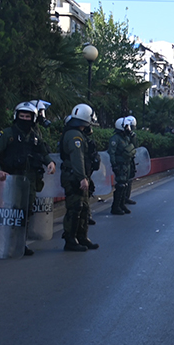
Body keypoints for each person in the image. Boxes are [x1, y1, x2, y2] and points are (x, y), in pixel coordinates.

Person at [0, 102, 56, 256]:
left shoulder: (34, 136)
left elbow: (43, 153)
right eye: (22, 116)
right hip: (13, 179)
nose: (25, 119)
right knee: (13, 211)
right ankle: (9, 243)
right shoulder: (7, 134)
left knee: (26, 211)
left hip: (30, 180)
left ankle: (20, 243)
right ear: (16, 116)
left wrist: (50, 163)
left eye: (28, 116)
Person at [59, 104, 99, 252]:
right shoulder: (74, 136)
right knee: (75, 208)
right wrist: (82, 178)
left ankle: (82, 237)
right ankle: (70, 239)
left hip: (78, 175)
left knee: (84, 208)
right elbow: (77, 158)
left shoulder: (78, 134)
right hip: (73, 177)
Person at [109, 116, 135, 215]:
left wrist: (133, 136)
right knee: (120, 185)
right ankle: (115, 207)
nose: (128, 129)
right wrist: (114, 165)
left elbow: (134, 146)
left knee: (125, 184)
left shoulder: (126, 138)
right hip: (119, 165)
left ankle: (122, 204)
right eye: (127, 127)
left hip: (127, 164)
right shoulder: (115, 138)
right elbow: (112, 153)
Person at [124, 115, 138, 206]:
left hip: (130, 159)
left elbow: (135, 145)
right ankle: (122, 199)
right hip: (123, 161)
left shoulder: (132, 135)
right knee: (123, 180)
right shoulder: (121, 136)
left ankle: (126, 197)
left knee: (130, 179)